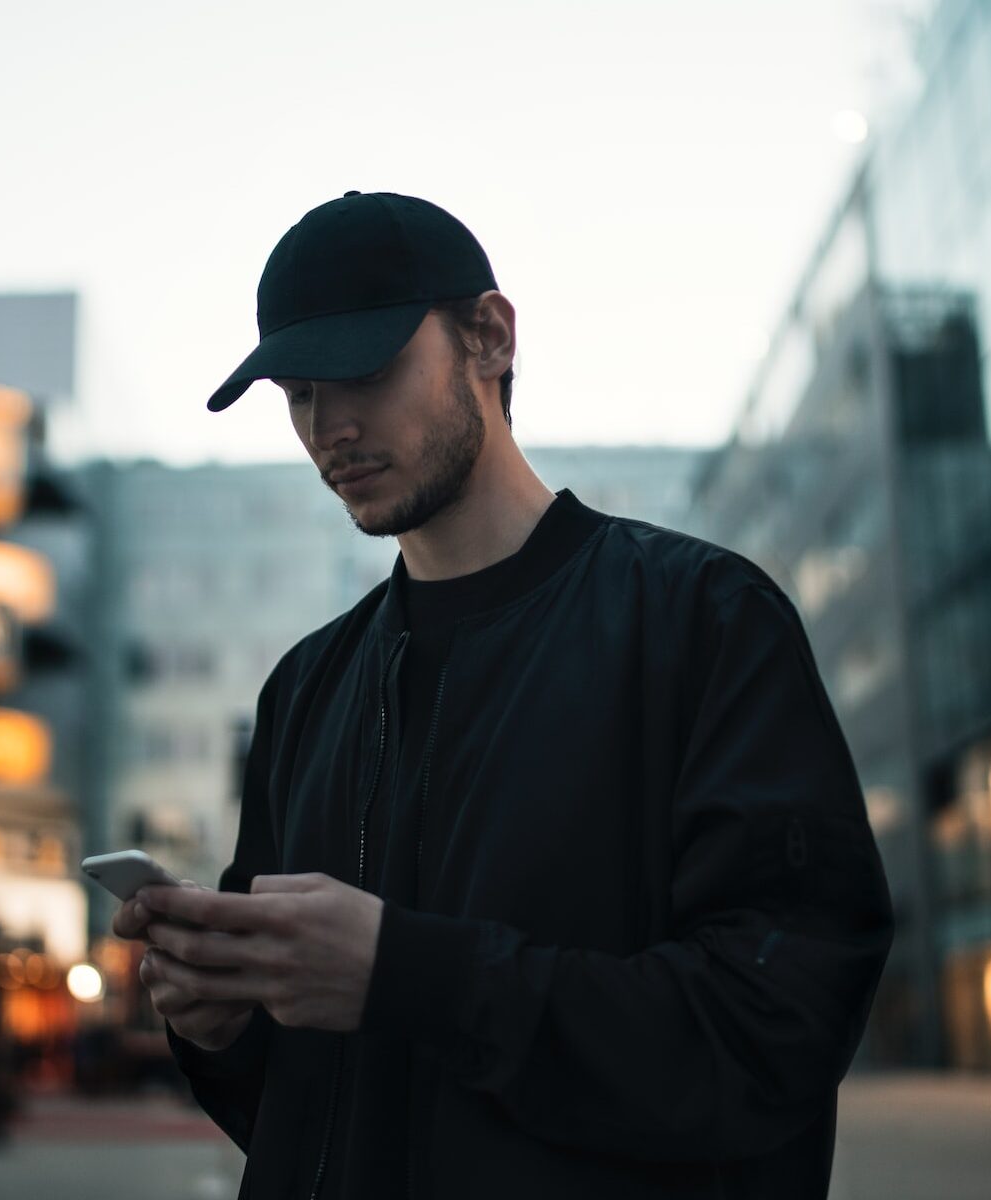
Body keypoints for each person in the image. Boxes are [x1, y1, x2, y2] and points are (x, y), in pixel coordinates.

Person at [111, 190, 894, 1199]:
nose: (327, 427)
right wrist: (217, 1025)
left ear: (488, 336)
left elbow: (774, 1031)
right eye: (298, 391)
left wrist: (407, 975)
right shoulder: (306, 689)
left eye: (365, 368)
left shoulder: (704, 622)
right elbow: (297, 1109)